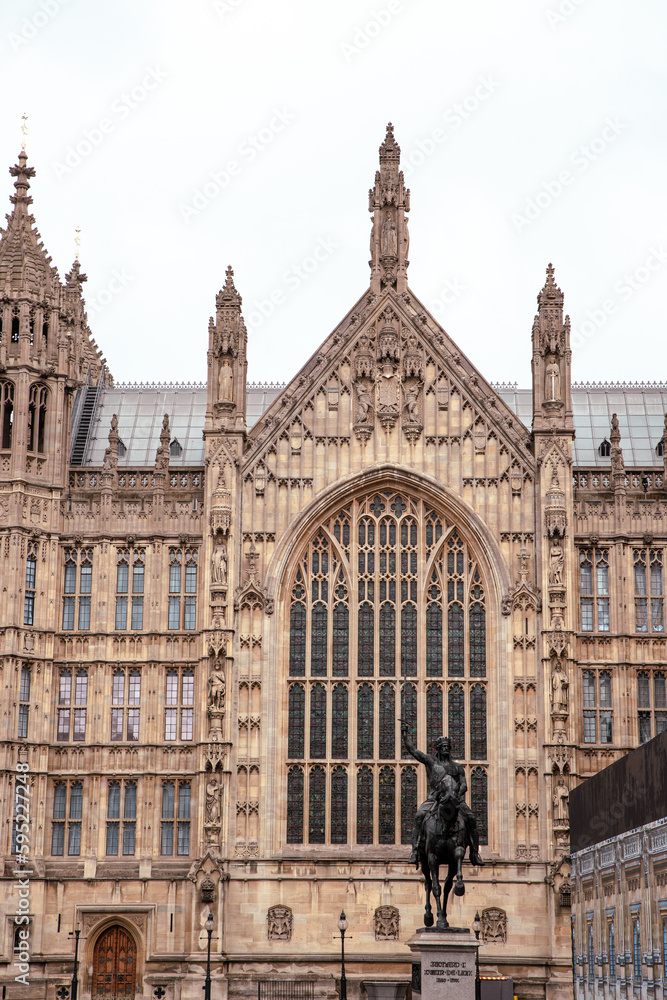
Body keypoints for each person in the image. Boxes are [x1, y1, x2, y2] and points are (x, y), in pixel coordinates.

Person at [401, 723, 484, 868]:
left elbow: (464, 785)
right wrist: (405, 736)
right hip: (435, 798)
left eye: (447, 747)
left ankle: (474, 853)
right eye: (443, 747)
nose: (446, 749)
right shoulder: (431, 762)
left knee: (471, 818)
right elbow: (414, 751)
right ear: (438, 749)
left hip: (455, 799)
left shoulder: (457, 767)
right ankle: (415, 851)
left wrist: (456, 794)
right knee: (419, 816)